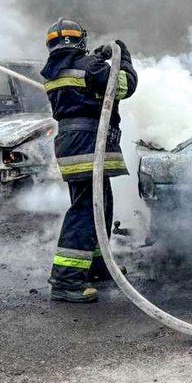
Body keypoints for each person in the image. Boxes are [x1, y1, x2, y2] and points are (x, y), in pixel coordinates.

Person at [41, 18, 137, 303]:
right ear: (80, 40)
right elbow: (124, 87)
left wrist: (96, 59)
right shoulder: (89, 66)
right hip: (88, 142)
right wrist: (124, 58)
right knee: (85, 210)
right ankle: (66, 280)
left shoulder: (53, 71)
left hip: (73, 144)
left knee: (99, 205)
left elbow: (84, 89)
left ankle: (96, 265)